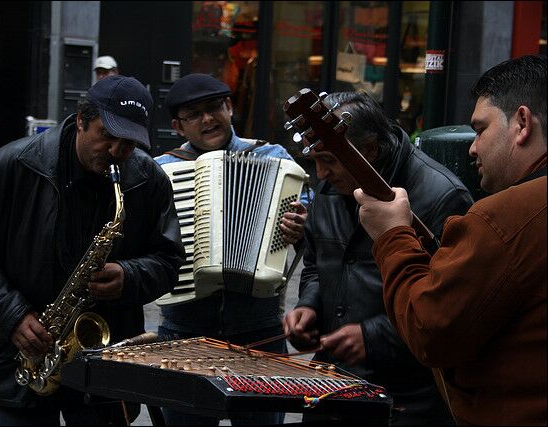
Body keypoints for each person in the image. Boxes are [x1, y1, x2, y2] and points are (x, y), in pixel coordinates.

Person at [0, 75, 186, 426]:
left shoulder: (148, 179)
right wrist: (13, 316)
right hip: (23, 357)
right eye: (107, 135)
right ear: (80, 120)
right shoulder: (10, 167)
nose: (116, 152)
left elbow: (169, 260)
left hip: (105, 365)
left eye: (129, 143)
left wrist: (131, 276)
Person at [353, 55, 547, 425]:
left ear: (522, 123)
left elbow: (429, 329)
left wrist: (393, 236)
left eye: (480, 129)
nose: (472, 148)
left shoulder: (503, 219)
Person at [284, 91, 475, 425]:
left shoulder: (441, 195)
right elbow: (316, 264)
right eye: (315, 160)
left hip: (406, 397)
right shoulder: (331, 187)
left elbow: (452, 305)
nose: (321, 173)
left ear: (368, 151)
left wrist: (373, 338)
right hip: (330, 384)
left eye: (328, 160)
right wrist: (309, 306)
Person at [154, 73, 312, 426]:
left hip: (260, 330)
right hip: (185, 333)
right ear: (179, 127)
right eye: (194, 114)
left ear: (230, 108)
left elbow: (310, 224)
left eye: (214, 108)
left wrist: (302, 224)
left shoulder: (273, 157)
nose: (208, 119)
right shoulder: (162, 171)